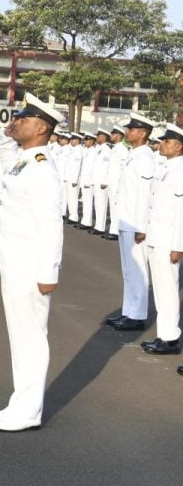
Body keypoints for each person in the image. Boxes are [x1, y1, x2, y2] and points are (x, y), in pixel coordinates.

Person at [0, 92, 64, 433]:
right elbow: (5, 169)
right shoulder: (25, 159)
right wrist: (8, 134)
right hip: (13, 257)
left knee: (31, 337)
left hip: (31, 266)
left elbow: (51, 224)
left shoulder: (43, 168)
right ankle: (20, 402)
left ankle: (30, 410)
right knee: (19, 336)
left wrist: (48, 273)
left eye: (24, 119)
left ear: (42, 127)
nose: (15, 121)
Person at [106, 113, 157, 331]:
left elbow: (144, 196)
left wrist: (141, 227)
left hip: (136, 225)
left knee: (137, 271)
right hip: (126, 221)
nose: (128, 132)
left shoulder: (145, 158)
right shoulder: (133, 155)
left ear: (143, 133)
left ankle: (136, 316)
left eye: (132, 129)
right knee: (128, 270)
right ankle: (128, 312)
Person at [138, 124, 183, 356]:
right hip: (157, 238)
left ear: (179, 147)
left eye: (167, 141)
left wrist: (178, 246)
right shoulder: (166, 169)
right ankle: (164, 335)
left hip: (169, 241)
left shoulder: (180, 172)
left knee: (168, 290)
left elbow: (181, 213)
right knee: (161, 291)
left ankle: (171, 337)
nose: (162, 144)